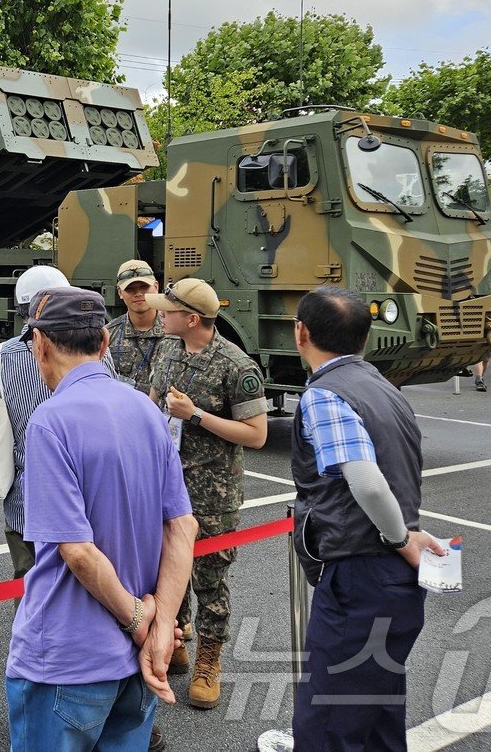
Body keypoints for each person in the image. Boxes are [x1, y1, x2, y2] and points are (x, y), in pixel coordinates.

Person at [7, 287, 198, 752]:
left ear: (40, 343)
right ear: (105, 343)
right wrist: (160, 628)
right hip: (137, 661)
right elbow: (182, 526)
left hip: (67, 657)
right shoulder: (146, 411)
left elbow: (76, 551)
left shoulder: (51, 421)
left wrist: (138, 619)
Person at [290, 285, 447, 752]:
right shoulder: (382, 387)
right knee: (377, 710)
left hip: (360, 573)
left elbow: (369, 482)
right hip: (392, 579)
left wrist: (401, 539)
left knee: (329, 720)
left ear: (301, 333)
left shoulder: (325, 395)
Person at [143, 278, 268, 710]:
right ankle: (174, 640)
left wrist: (195, 415)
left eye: (168, 309)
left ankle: (208, 661)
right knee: (164, 570)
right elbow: (153, 403)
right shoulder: (166, 350)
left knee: (210, 580)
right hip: (167, 484)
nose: (160, 313)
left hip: (213, 491)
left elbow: (256, 435)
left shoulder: (236, 366)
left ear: (191, 319)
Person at [0, 264, 72, 581]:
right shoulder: (95, 351)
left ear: (22, 308)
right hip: (83, 494)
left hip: (26, 502)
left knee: (30, 587)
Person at [107, 259, 166, 395]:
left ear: (156, 287)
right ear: (120, 293)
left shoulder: (175, 332)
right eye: (130, 289)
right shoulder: (109, 334)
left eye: (144, 287)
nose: (138, 293)